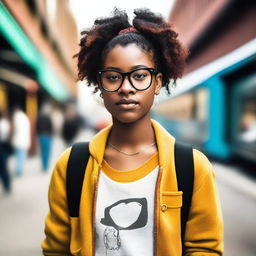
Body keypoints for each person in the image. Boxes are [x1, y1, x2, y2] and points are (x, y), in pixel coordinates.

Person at [42, 8, 223, 256]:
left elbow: (205, 249)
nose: (126, 88)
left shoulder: (192, 167)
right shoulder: (72, 165)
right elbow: (55, 249)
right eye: (113, 77)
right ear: (100, 84)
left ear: (158, 82)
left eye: (139, 75)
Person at [11, 106, 31, 176]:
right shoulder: (25, 117)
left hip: (18, 139)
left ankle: (19, 170)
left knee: (19, 155)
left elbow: (15, 129)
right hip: (25, 139)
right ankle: (20, 169)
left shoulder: (16, 117)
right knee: (21, 155)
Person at [36, 104, 54, 171]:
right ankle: (46, 166)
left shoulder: (39, 117)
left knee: (42, 152)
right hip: (48, 136)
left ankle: (43, 166)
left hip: (41, 136)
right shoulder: (48, 117)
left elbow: (37, 127)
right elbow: (51, 127)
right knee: (47, 152)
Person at [0, 110, 12, 193]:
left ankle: (7, 185)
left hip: (2, 145)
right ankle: (7, 185)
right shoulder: (5, 123)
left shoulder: (3, 123)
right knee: (4, 166)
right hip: (4, 145)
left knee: (3, 167)